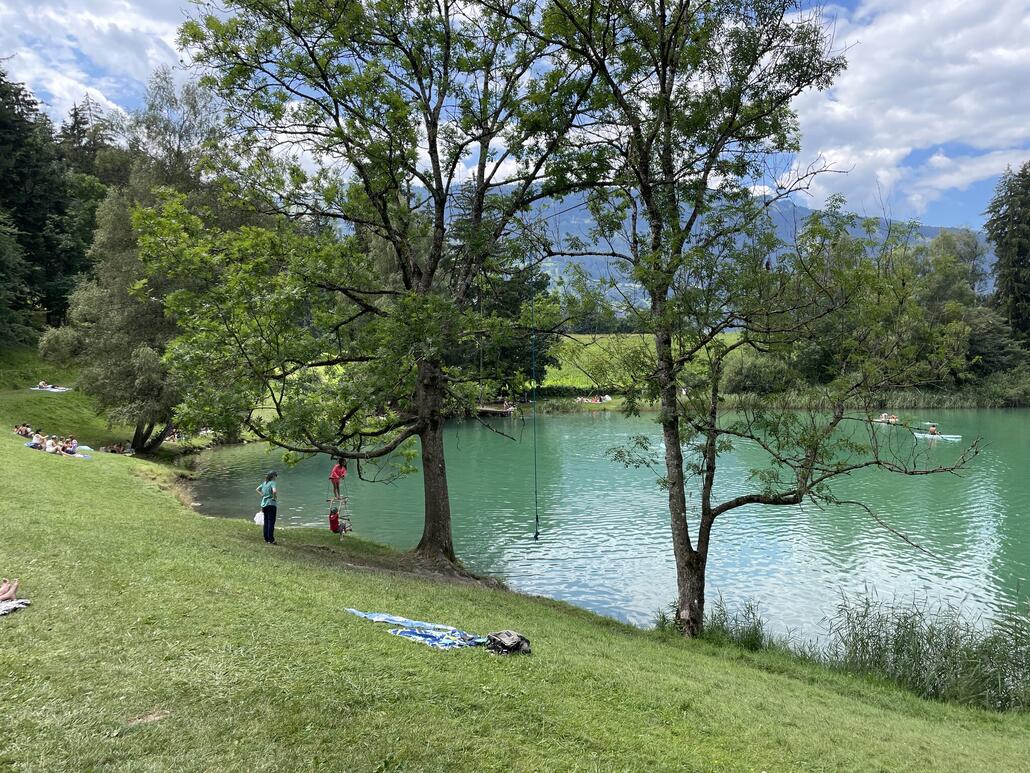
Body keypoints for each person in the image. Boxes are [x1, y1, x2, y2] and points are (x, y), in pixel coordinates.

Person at [256, 470, 279, 544]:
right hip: (271, 504)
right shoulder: (272, 483)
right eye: (275, 476)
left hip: (264, 504)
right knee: (271, 522)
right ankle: (271, 540)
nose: (276, 477)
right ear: (272, 476)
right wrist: (274, 498)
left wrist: (262, 495)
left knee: (266, 522)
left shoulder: (264, 483)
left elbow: (257, 489)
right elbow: (274, 491)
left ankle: (266, 539)